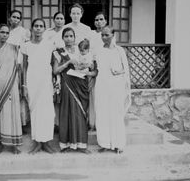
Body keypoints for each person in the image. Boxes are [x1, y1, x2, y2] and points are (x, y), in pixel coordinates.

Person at [52, 27, 97, 154]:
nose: (69, 38)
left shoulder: (82, 50)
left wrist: (87, 66)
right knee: (67, 113)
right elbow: (55, 71)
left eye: (71, 36)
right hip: (67, 85)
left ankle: (81, 145)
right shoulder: (59, 52)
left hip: (81, 85)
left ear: (74, 38)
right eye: (66, 36)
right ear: (62, 38)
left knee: (81, 114)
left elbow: (93, 68)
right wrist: (68, 63)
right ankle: (66, 145)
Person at [20, 18, 56, 154]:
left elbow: (53, 64)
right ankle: (37, 143)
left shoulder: (49, 44)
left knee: (47, 112)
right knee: (34, 112)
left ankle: (46, 143)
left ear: (44, 29)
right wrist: (24, 84)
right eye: (36, 26)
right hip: (32, 81)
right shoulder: (26, 45)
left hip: (46, 81)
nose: (38, 28)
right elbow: (24, 66)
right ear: (32, 29)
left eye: (41, 26)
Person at [95, 26, 131, 154]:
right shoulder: (98, 51)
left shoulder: (119, 50)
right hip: (102, 85)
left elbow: (126, 69)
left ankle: (118, 144)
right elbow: (95, 68)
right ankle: (104, 143)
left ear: (113, 34)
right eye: (102, 35)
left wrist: (118, 71)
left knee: (115, 114)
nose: (104, 37)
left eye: (107, 35)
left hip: (116, 85)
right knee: (102, 113)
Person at [0, 24, 23, 155]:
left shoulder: (14, 48)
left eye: (7, 33)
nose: (4, 35)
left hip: (11, 85)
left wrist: (21, 86)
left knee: (12, 113)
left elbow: (19, 69)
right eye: (2, 32)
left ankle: (14, 144)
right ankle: (0, 144)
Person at [7, 9, 31, 133]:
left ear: (20, 20)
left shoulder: (24, 32)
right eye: (13, 17)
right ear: (10, 18)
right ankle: (11, 122)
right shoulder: (6, 31)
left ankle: (22, 123)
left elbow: (25, 49)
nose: (15, 19)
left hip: (19, 63)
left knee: (21, 93)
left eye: (18, 17)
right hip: (7, 65)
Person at [43, 12, 66, 132]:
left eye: (61, 18)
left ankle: (61, 123)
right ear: (53, 19)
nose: (59, 20)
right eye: (57, 18)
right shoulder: (48, 32)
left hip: (63, 64)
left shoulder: (67, 31)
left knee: (61, 94)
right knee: (52, 94)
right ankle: (53, 123)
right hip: (51, 62)